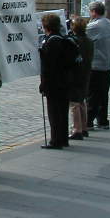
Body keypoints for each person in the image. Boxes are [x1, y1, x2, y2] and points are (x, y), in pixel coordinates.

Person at [39, 13, 72, 149]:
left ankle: (56, 140)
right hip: (65, 80)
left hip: (54, 83)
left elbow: (48, 67)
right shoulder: (63, 38)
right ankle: (63, 139)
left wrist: (43, 84)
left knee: (54, 112)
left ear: (46, 26)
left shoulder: (51, 41)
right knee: (63, 111)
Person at [86, 1, 110, 130]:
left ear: (94, 12)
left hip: (95, 65)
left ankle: (88, 122)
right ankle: (103, 121)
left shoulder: (94, 26)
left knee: (92, 94)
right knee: (103, 94)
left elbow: (81, 35)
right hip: (108, 64)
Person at [68, 17, 94, 140]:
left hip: (75, 74)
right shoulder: (89, 40)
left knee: (74, 103)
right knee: (82, 100)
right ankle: (84, 128)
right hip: (86, 72)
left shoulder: (73, 41)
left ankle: (76, 129)